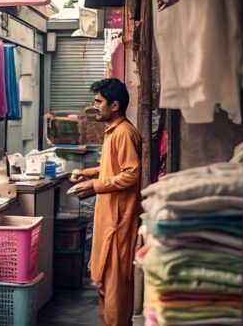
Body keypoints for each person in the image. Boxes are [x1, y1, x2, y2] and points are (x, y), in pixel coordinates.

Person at [70, 78, 142, 326]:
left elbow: (131, 173)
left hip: (118, 219)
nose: (94, 106)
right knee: (106, 284)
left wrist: (95, 186)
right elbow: (112, 168)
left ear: (115, 106)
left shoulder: (123, 133)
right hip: (109, 216)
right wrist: (88, 174)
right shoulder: (114, 130)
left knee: (115, 285)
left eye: (98, 102)